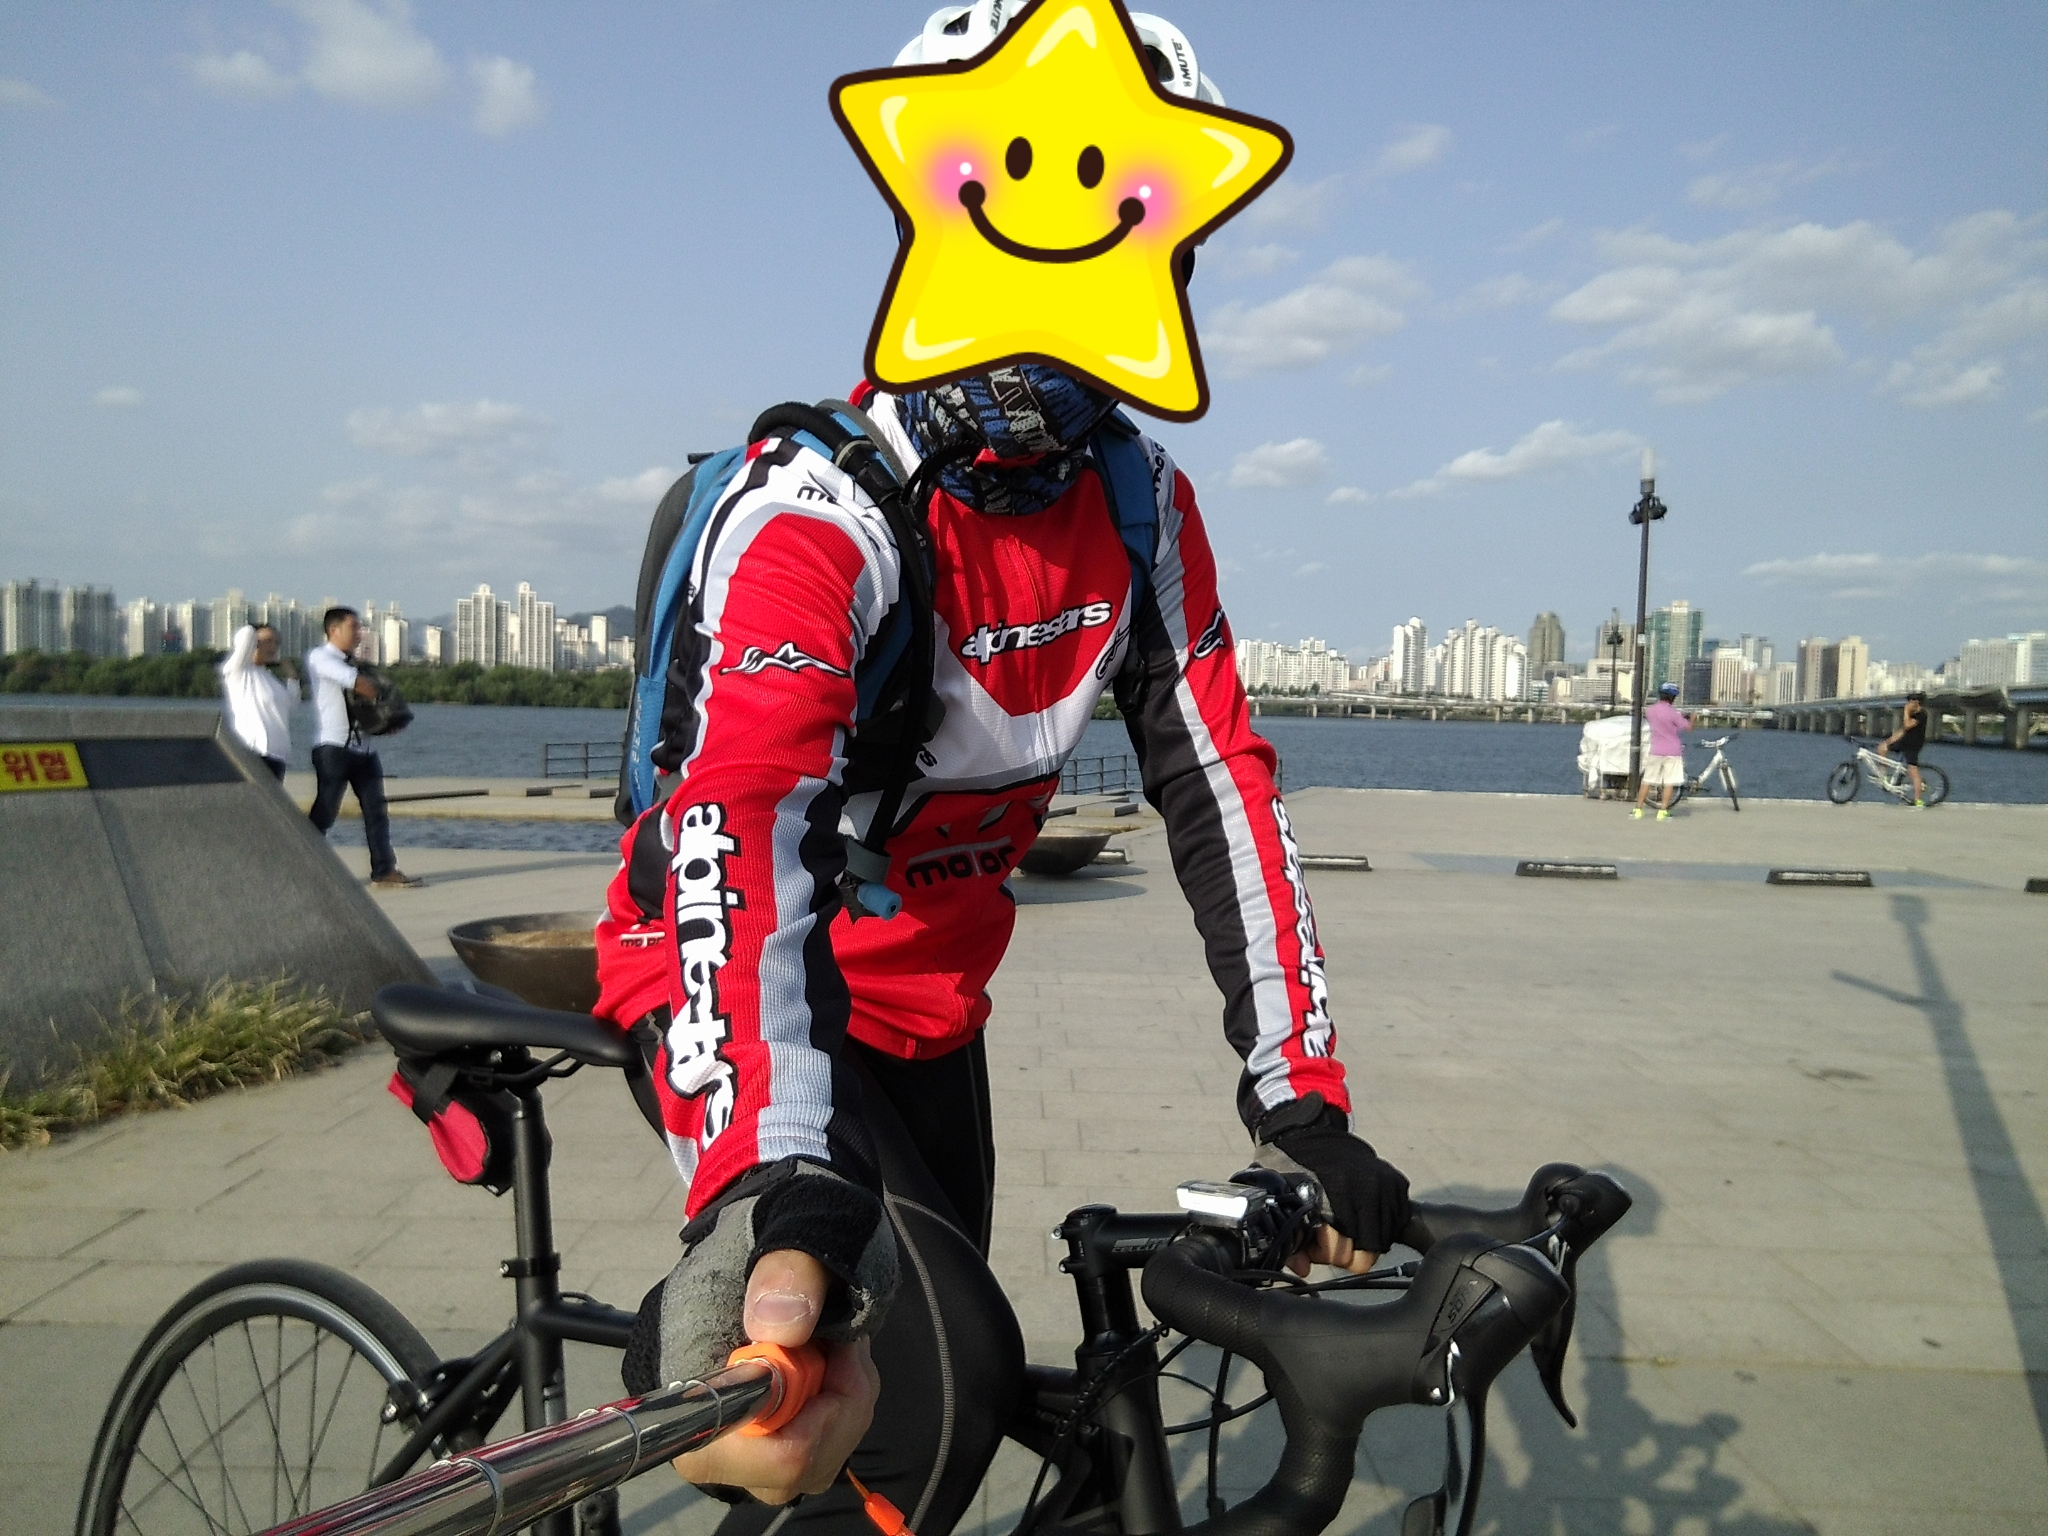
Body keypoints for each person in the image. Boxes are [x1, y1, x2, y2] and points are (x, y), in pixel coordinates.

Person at [593, 13, 1409, 1532]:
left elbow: (1221, 789)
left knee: (908, 1431)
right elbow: (738, 823)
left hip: (932, 1012)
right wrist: (767, 1173)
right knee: (930, 1388)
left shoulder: (1141, 505)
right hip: (747, 988)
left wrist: (1299, 1102)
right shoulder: (813, 512)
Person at [306, 607, 422, 888]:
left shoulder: (355, 663)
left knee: (376, 811)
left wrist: (387, 723)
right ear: (333, 630)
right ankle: (301, 861)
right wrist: (384, 697)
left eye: (360, 628)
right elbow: (360, 685)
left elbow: (366, 705)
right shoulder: (320, 658)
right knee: (326, 810)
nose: (359, 634)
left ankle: (384, 870)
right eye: (354, 628)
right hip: (334, 748)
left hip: (364, 750)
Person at [219, 622, 297, 780]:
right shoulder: (238, 671)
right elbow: (246, 634)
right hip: (253, 750)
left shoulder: (270, 678)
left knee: (273, 796)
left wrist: (292, 677)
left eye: (276, 642)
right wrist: (256, 630)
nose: (273, 647)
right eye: (267, 641)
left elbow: (292, 704)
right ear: (253, 642)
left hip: (278, 755)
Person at [1632, 682, 1690, 820]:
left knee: (1647, 780)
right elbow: (1687, 727)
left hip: (1656, 749)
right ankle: (1662, 811)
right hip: (1673, 751)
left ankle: (1638, 809)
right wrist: (1692, 718)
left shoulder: (1650, 710)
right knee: (1669, 782)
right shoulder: (1674, 713)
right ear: (1672, 697)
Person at [1878, 690, 1929, 807]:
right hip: (1904, 741)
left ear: (1917, 702)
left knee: (1912, 771)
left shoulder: (1921, 714)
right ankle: (1884, 776)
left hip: (1913, 745)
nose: (1908, 704)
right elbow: (1902, 731)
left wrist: (1906, 711)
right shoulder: (1911, 714)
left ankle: (1918, 800)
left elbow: (1907, 725)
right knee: (1882, 748)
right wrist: (1889, 741)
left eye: (1910, 701)